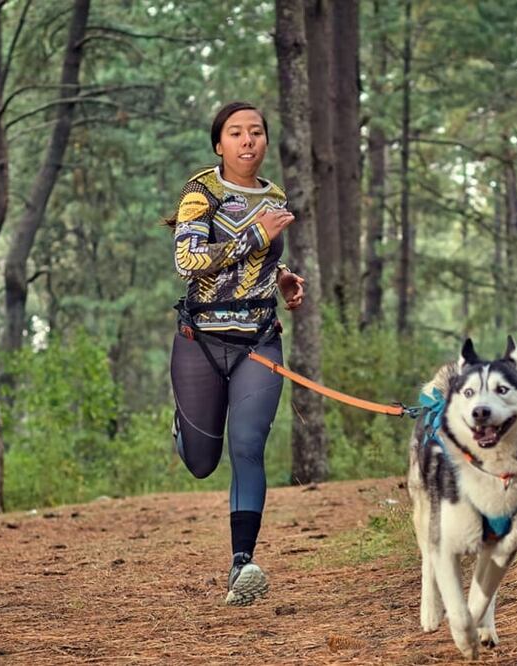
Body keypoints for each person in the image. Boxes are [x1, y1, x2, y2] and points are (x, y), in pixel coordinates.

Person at [167, 101, 305, 606]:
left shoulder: (275, 196)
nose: (247, 140)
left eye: (256, 132)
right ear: (219, 144)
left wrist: (283, 277)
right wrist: (257, 235)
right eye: (235, 133)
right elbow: (188, 261)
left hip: (260, 340)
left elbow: (263, 258)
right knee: (203, 462)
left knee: (247, 446)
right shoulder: (200, 192)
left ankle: (241, 564)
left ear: (266, 141)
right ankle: (184, 430)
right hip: (200, 342)